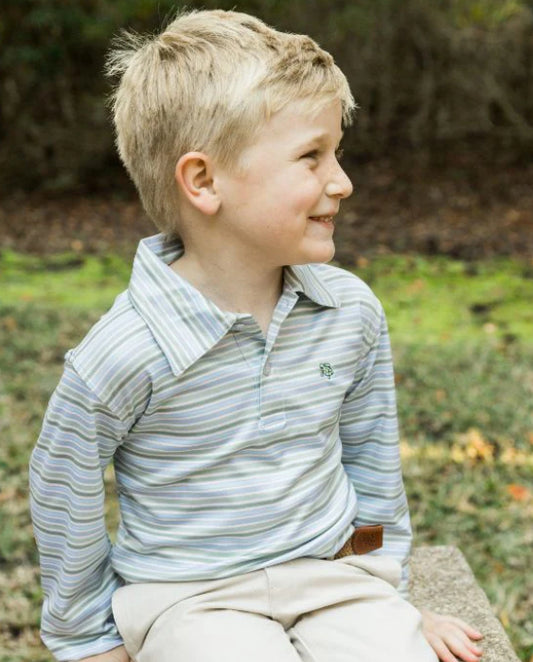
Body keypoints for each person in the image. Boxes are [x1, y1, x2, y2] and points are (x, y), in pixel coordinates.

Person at [29, 9, 484, 662]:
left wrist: (396, 600)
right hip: (191, 598)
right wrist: (88, 641)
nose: (342, 182)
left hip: (336, 577)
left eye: (336, 153)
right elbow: (62, 487)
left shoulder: (349, 312)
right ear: (204, 181)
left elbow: (374, 464)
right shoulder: (123, 353)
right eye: (311, 156)